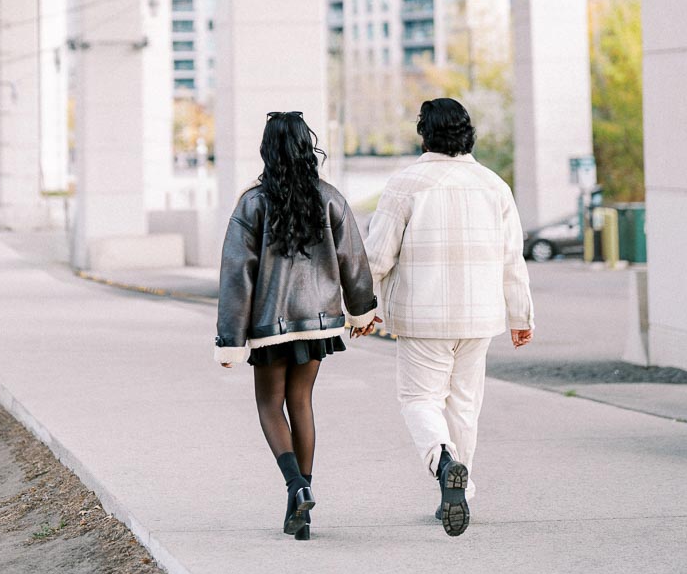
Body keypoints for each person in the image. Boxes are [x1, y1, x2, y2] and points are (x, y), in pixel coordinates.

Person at [364, 97, 534, 538]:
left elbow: (377, 257)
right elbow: (511, 258)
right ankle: (457, 493)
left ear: (425, 133)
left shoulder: (406, 183)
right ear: (467, 133)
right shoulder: (494, 185)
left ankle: (444, 466)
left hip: (423, 317)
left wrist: (359, 309)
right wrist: (521, 315)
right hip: (480, 317)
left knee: (420, 400)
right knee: (464, 406)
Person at [215, 110, 379, 541]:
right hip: (320, 321)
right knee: (301, 402)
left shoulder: (252, 203)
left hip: (270, 324)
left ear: (268, 151)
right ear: (308, 148)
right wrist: (362, 310)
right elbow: (353, 259)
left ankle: (295, 486)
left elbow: (237, 273)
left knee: (270, 404)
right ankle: (302, 506)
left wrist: (230, 339)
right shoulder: (330, 197)